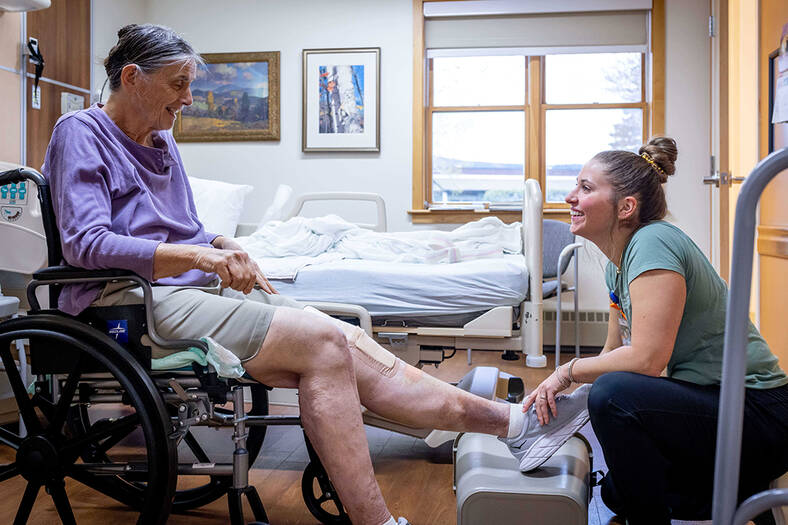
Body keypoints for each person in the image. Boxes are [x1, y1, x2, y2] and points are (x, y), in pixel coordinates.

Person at [42, 24, 588, 525]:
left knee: (345, 338)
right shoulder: (81, 133)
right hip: (130, 300)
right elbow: (87, 244)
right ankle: (383, 513)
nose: (187, 98)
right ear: (133, 78)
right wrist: (201, 258)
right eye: (178, 83)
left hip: (183, 291)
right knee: (325, 341)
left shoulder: (163, 144)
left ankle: (513, 425)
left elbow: (185, 227)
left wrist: (219, 242)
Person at [524, 136, 788, 524]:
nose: (569, 197)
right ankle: (739, 490)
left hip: (759, 413)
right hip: (719, 406)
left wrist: (565, 372)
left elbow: (647, 359)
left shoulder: (653, 241)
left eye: (585, 187)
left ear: (626, 206)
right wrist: (570, 400)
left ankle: (737, 485)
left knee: (614, 396)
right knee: (616, 490)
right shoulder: (618, 262)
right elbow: (613, 355)